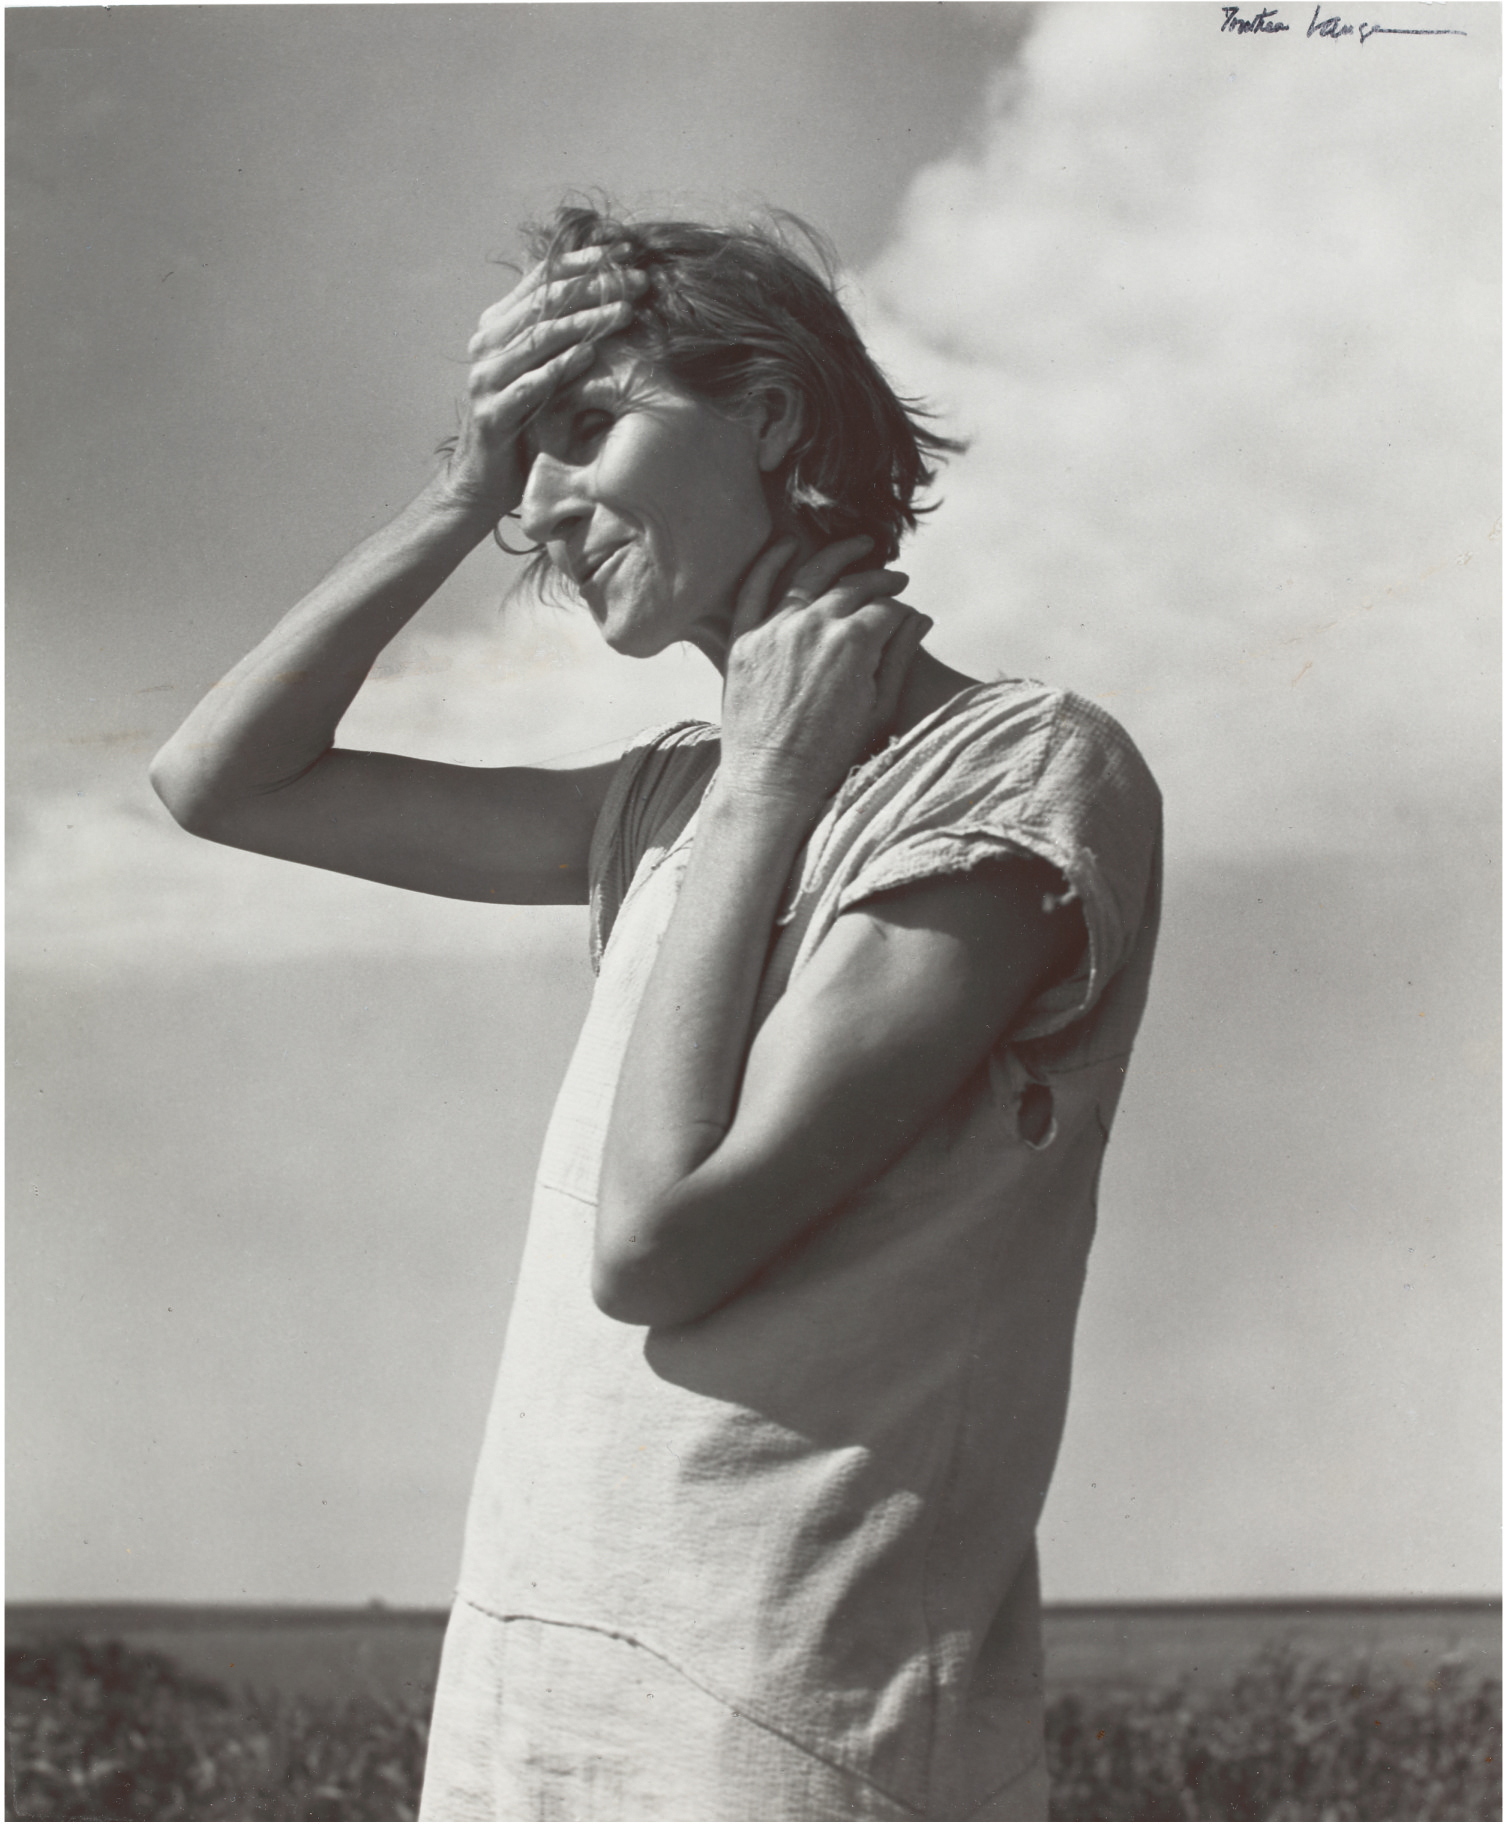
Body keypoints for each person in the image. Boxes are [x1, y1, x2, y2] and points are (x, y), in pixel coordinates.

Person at [151, 205, 1162, 1823]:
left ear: (769, 415)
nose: (539, 509)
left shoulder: (1020, 770)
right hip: (541, 1687)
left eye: (586, 427)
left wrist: (768, 785)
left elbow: (658, 1246)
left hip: (783, 1715)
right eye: (517, 456)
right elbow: (221, 783)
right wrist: (458, 489)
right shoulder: (666, 800)